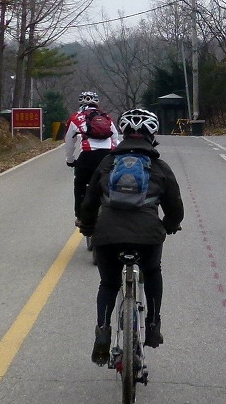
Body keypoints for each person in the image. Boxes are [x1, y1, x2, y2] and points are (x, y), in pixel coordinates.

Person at [79, 107, 184, 365]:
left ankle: (103, 330)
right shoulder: (159, 166)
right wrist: (169, 225)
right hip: (148, 234)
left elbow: (90, 201)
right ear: (153, 135)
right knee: (152, 272)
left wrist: (89, 228)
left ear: (123, 134)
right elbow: (175, 206)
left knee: (109, 284)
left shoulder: (107, 163)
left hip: (108, 233)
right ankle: (153, 325)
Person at [63, 91, 119, 223]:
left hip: (88, 156)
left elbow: (69, 143)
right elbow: (116, 139)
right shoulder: (106, 117)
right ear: (97, 103)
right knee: (113, 184)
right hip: (108, 156)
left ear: (81, 103)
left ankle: (81, 217)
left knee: (80, 184)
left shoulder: (76, 117)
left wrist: (70, 160)